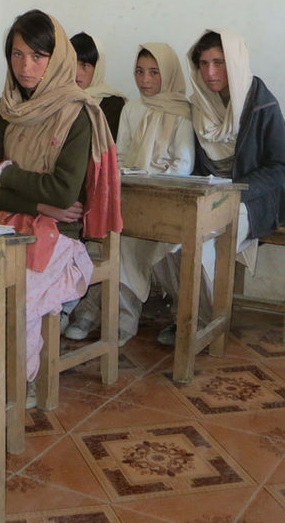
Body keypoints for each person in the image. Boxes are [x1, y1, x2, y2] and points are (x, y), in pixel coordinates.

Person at [0, 10, 121, 408]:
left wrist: (8, 174)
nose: (26, 66)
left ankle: (21, 381)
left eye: (38, 56)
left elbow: (63, 192)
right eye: (18, 55)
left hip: (60, 235)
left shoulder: (77, 113)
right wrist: (37, 201)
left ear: (57, 60)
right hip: (0, 225)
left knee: (18, 295)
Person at [155, 29, 285, 345]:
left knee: (203, 244)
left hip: (252, 199)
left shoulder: (261, 103)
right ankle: (188, 315)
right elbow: (197, 166)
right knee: (165, 243)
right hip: (209, 194)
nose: (210, 72)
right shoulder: (199, 103)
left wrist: (235, 192)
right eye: (203, 64)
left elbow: (279, 167)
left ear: (236, 62)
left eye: (219, 62)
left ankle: (204, 323)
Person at [65, 42, 194, 345]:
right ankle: (120, 323)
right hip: (131, 198)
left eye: (153, 72)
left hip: (167, 202)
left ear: (169, 74)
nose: (144, 79)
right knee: (117, 244)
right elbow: (118, 155)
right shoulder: (132, 109)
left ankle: (184, 320)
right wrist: (128, 177)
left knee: (167, 250)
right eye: (139, 71)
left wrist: (148, 178)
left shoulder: (182, 113)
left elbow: (183, 165)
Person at [70, 32, 127, 140]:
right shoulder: (59, 96)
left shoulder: (113, 103)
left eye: (85, 66)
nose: (77, 73)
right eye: (72, 65)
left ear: (98, 69)